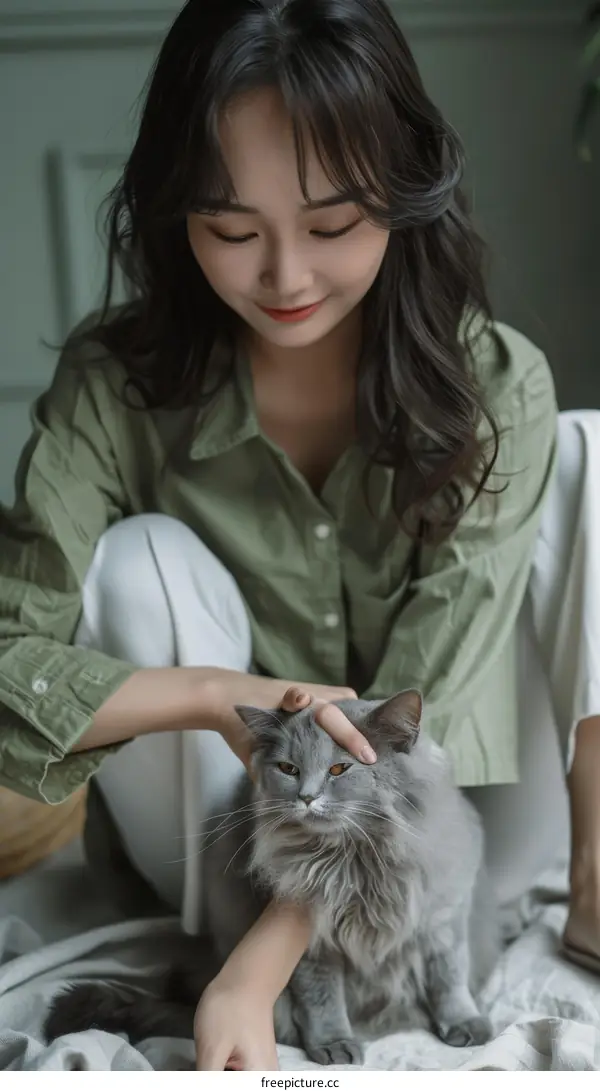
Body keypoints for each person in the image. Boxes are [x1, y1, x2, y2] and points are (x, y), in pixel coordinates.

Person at [0, 0, 598, 1071]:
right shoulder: (113, 384)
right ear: (176, 210)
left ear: (404, 195)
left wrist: (268, 962)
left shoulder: (491, 377)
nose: (284, 277)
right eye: (232, 230)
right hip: (226, 846)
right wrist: (217, 694)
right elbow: (7, 656)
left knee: (587, 448)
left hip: (459, 836)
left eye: (332, 225)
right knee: (138, 558)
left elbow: (431, 726)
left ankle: (599, 876)